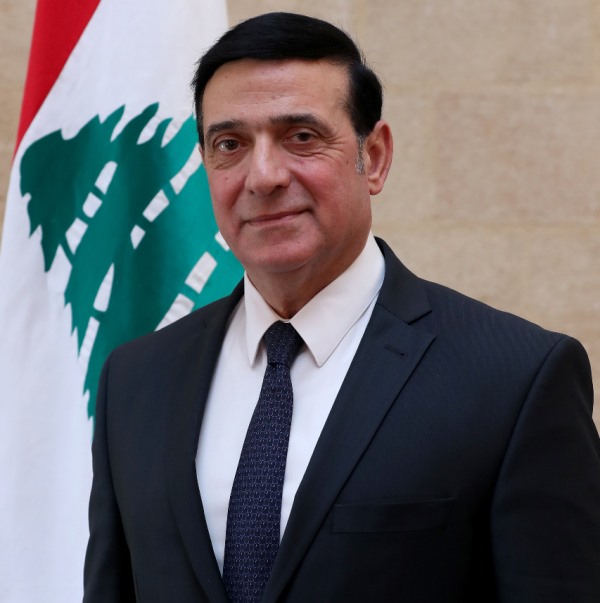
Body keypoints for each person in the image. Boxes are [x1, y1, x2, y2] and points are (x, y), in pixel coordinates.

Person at [83, 11, 600, 603]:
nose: (263, 176)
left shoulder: (516, 379)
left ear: (373, 157)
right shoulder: (135, 381)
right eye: (230, 145)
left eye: (302, 137)